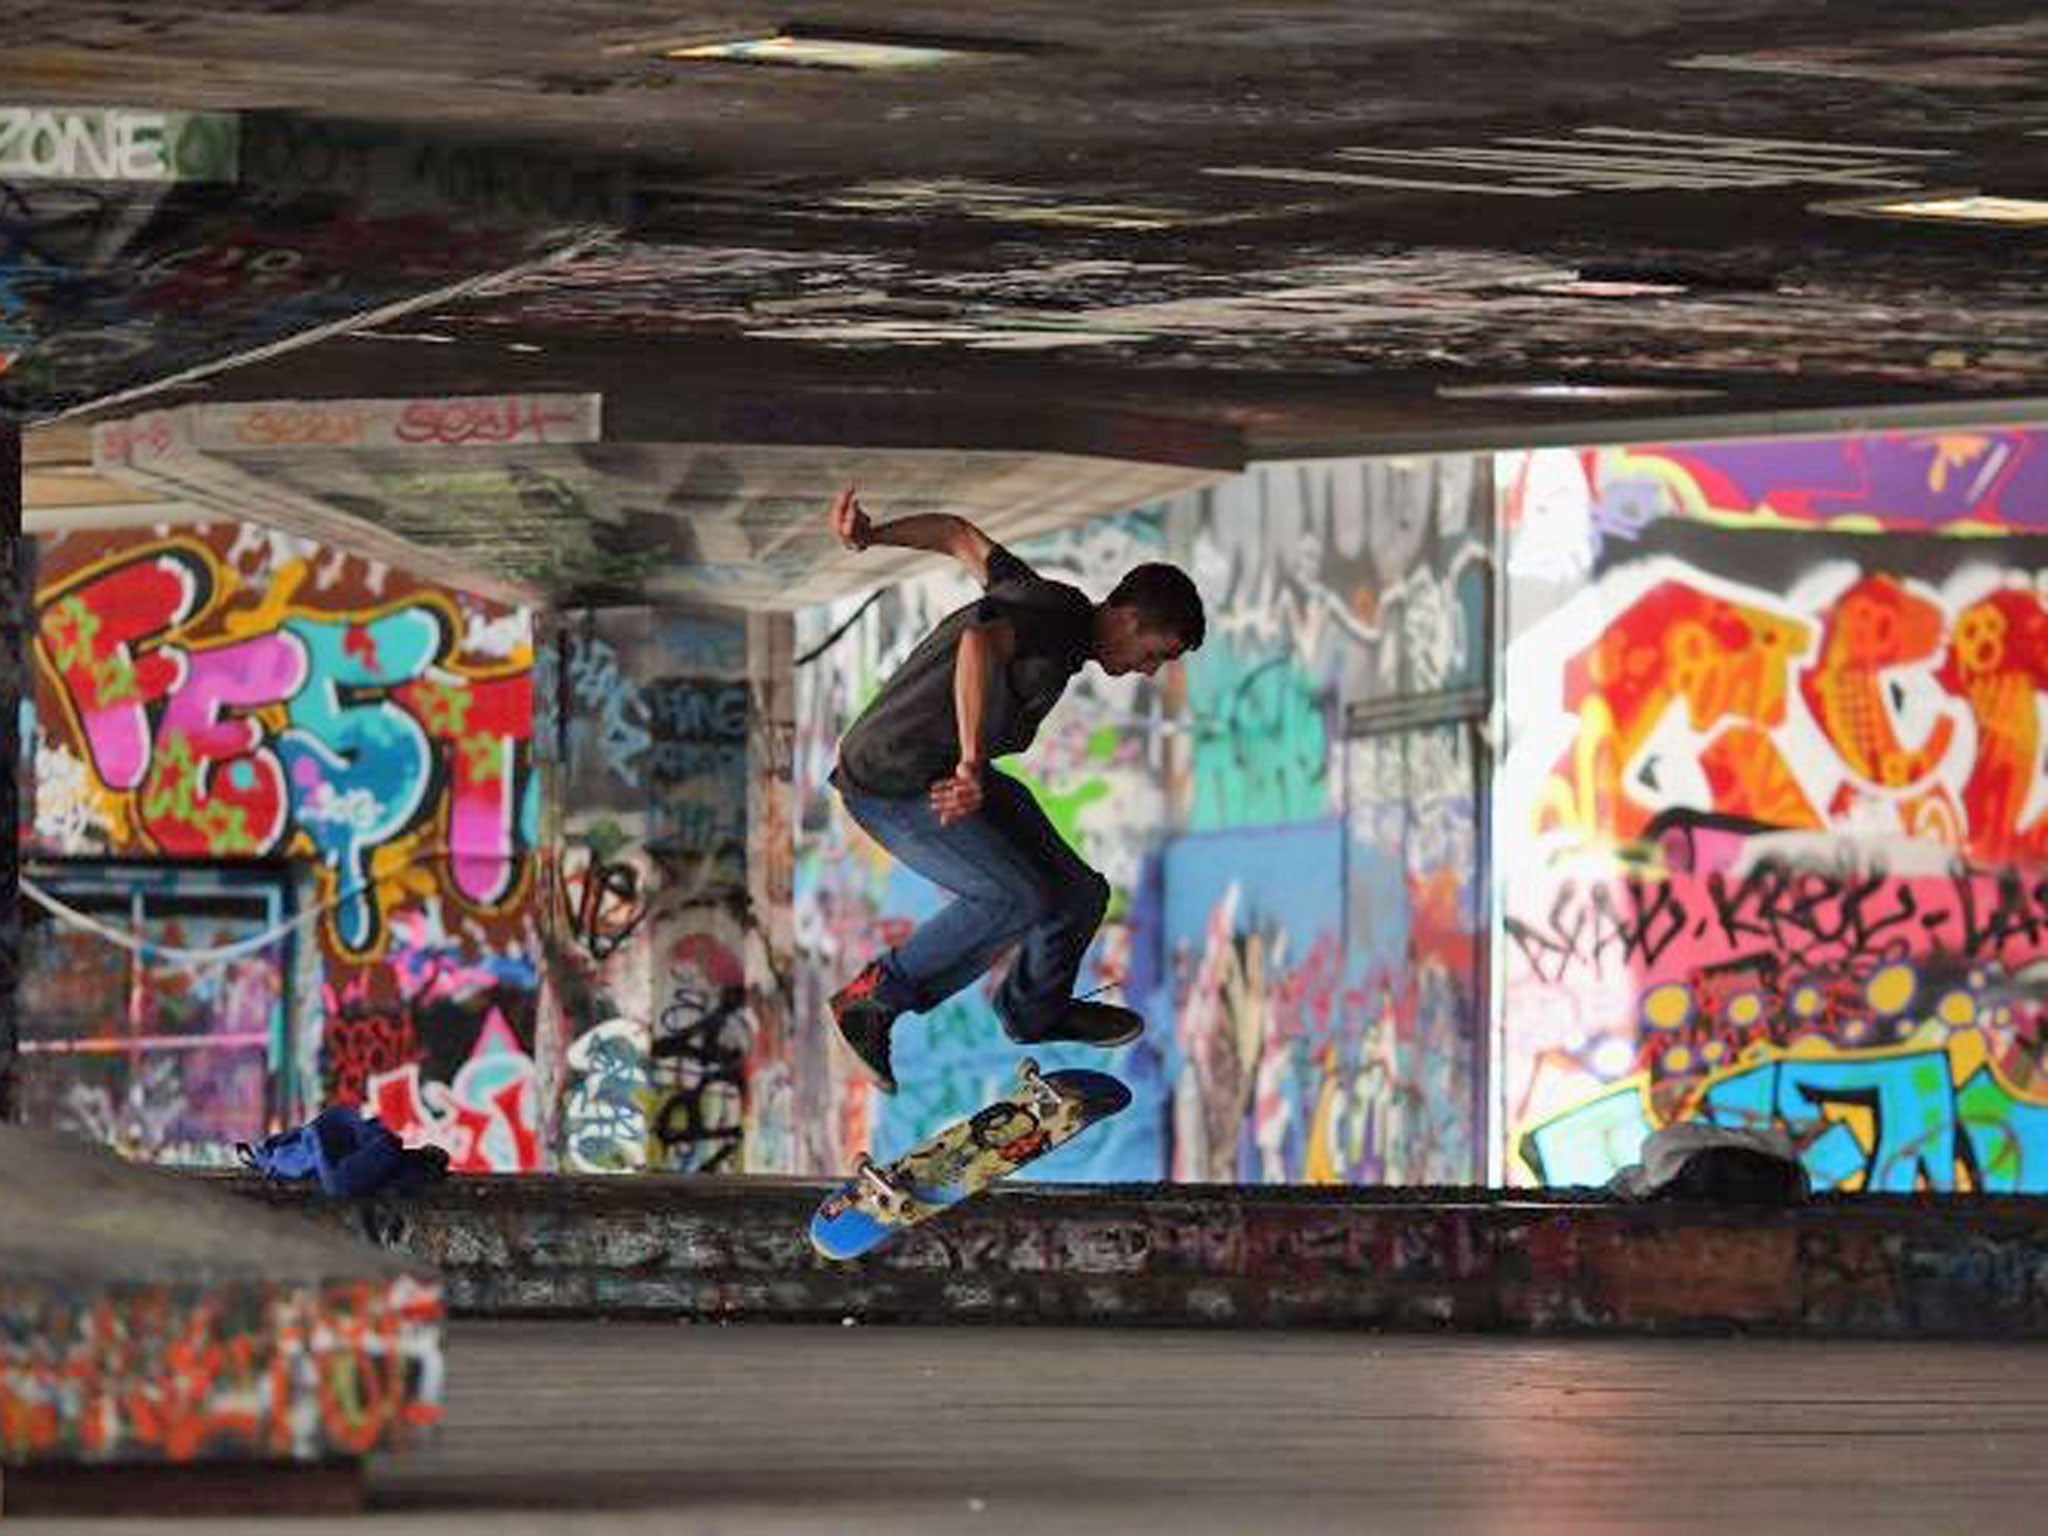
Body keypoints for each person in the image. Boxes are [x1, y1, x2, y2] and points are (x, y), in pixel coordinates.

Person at [823, 485, 1206, 1094]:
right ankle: (872, 1000)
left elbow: (956, 533)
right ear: (1128, 618)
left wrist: (873, 535)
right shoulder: (1052, 624)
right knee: (1013, 897)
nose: (1149, 670)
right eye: (1154, 653)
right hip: (892, 781)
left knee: (1078, 893)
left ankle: (1035, 1011)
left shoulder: (1044, 603)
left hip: (939, 771)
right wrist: (973, 764)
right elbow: (978, 647)